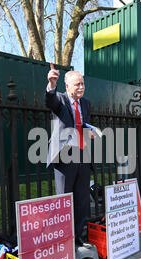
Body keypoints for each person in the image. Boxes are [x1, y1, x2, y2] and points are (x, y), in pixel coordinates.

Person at [45, 64, 92, 248]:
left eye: (82, 83)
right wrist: (51, 85)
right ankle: (64, 242)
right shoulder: (60, 99)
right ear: (67, 86)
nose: (80, 87)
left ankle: (78, 239)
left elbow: (83, 125)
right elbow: (50, 102)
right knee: (64, 201)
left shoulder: (86, 103)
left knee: (81, 201)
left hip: (82, 157)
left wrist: (89, 133)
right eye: (76, 84)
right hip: (64, 158)